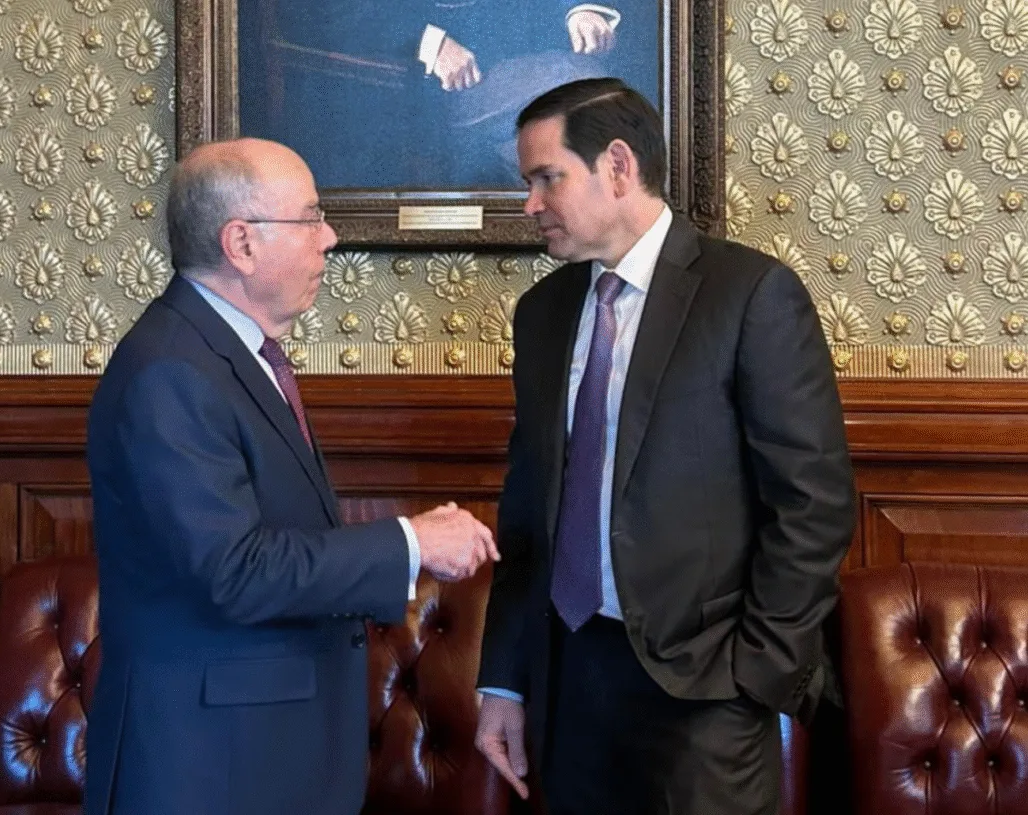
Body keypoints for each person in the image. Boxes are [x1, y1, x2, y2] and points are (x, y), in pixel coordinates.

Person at [473, 78, 856, 815]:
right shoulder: (543, 313)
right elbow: (526, 513)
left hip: (705, 690)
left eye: (547, 178)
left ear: (618, 166)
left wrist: (755, 671)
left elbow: (813, 505)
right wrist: (504, 681)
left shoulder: (749, 294)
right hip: (569, 682)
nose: (530, 204)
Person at [83, 137, 498, 815]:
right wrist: (411, 542)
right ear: (241, 243)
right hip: (209, 769)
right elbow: (235, 570)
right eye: (310, 218)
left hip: (258, 756)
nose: (329, 238)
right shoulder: (170, 372)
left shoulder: (226, 354)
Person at [238, 0, 632, 188]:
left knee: (581, 99)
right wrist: (428, 42)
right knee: (579, 97)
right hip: (403, 86)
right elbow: (323, 14)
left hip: (505, 63)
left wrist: (579, 9)